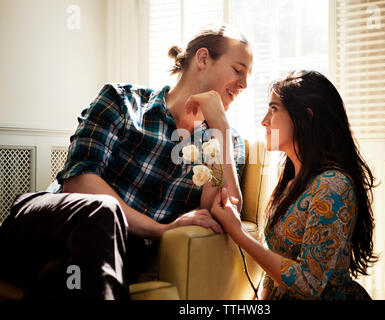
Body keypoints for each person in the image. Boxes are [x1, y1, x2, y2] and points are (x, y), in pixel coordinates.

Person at [0, 24, 253, 299]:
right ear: (203, 59)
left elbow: (223, 209)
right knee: (105, 210)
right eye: (238, 70)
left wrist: (221, 130)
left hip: (104, 256)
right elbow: (79, 182)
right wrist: (161, 230)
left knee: (61, 279)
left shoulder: (223, 141)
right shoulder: (121, 100)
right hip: (44, 227)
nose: (244, 84)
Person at [210, 70, 378, 300]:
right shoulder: (291, 183)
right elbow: (277, 262)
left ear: (305, 118)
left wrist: (238, 233)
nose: (264, 120)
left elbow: (309, 284)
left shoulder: (334, 186)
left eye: (274, 109)